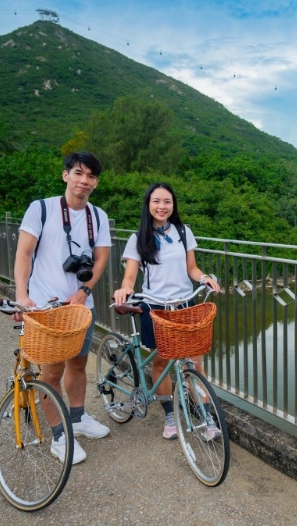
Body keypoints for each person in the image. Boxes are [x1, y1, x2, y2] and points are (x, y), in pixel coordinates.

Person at [14, 152, 111, 464]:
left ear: (96, 182)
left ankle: (78, 418)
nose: (85, 181)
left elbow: (101, 259)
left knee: (79, 365)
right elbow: (25, 254)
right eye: (79, 173)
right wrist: (21, 295)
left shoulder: (99, 216)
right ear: (65, 175)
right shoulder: (41, 209)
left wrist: (84, 290)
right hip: (47, 307)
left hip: (82, 306)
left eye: (91, 176)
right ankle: (59, 435)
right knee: (51, 372)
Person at [113, 182, 221, 439]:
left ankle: (207, 418)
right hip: (155, 307)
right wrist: (124, 290)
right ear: (148, 205)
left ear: (173, 205)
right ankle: (170, 416)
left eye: (167, 202)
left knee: (195, 363)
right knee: (161, 361)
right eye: (157, 201)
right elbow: (130, 276)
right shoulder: (138, 238)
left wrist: (203, 277)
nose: (162, 206)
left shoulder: (183, 232)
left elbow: (191, 268)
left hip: (184, 306)